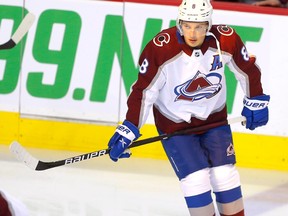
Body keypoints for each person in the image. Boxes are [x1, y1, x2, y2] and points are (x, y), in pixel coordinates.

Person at [107, 0, 270, 215]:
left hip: (214, 120)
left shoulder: (225, 39)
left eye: (199, 26)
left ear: (208, 24)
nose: (192, 33)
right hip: (175, 126)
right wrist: (129, 128)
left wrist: (255, 99)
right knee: (196, 179)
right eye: (187, 25)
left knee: (225, 175)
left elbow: (247, 69)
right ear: (179, 23)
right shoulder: (160, 49)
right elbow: (143, 92)